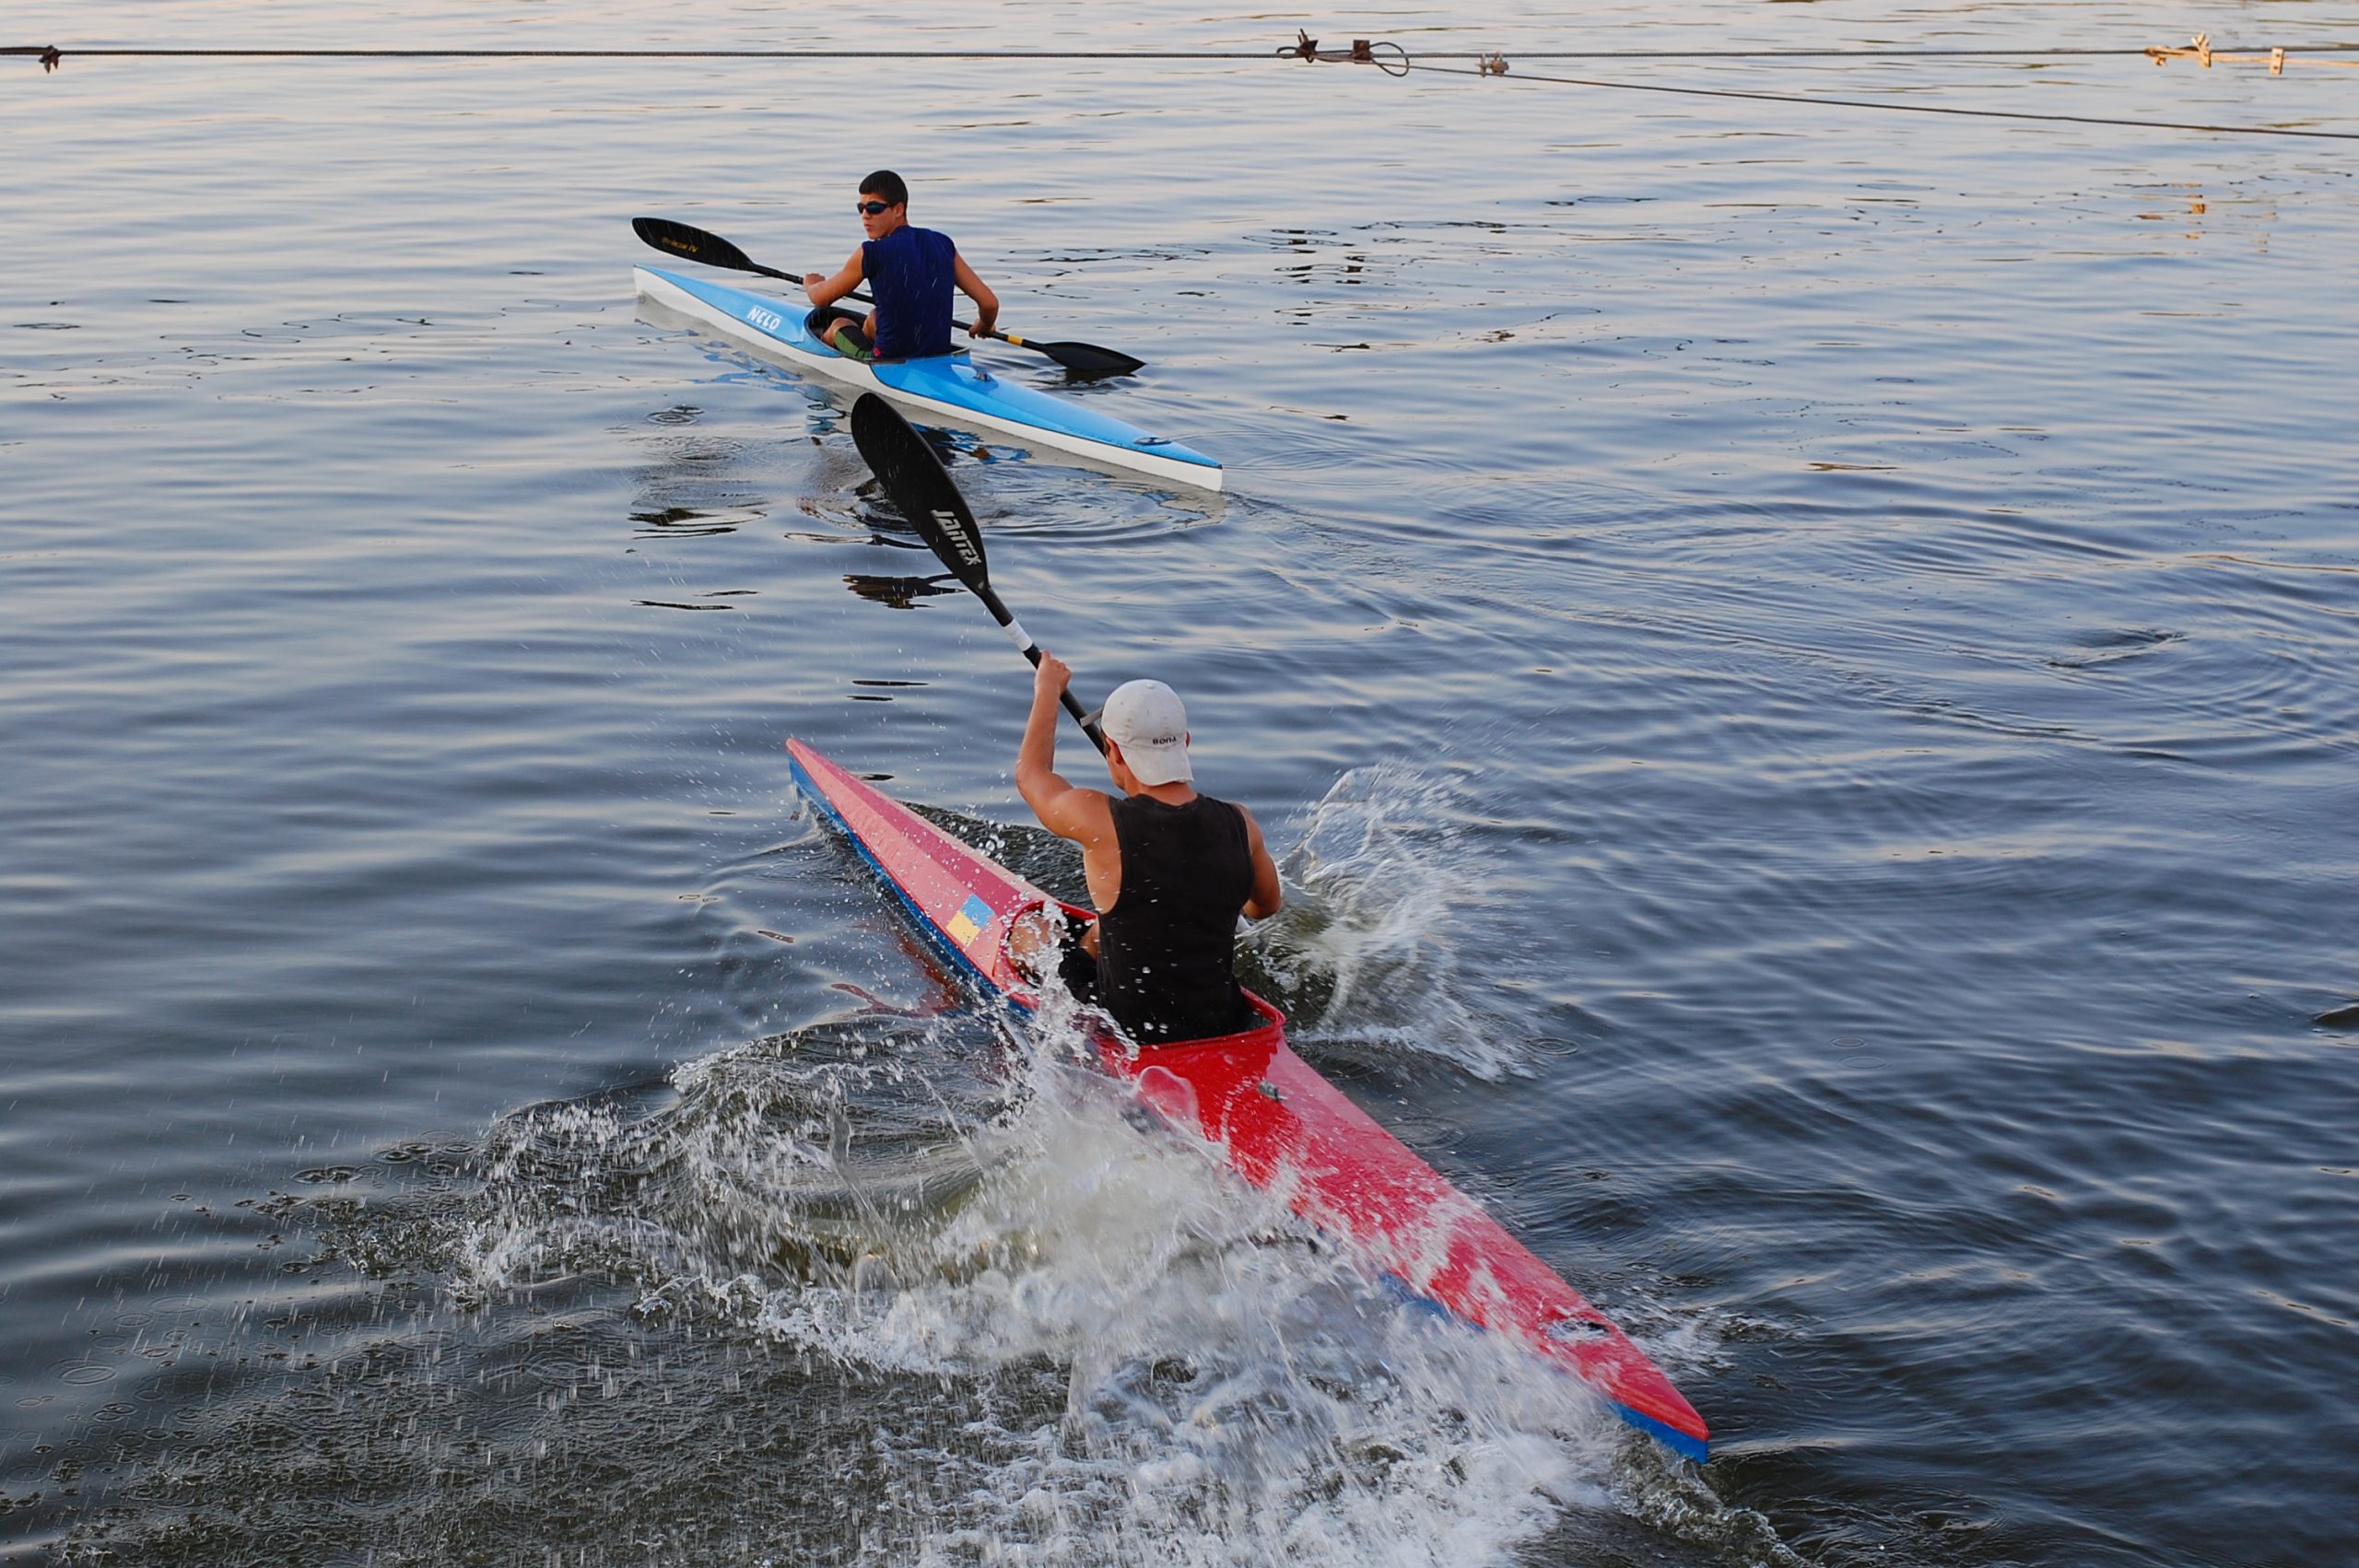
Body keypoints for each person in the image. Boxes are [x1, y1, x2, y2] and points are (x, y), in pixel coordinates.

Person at [1015, 653, 1283, 1045]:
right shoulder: (1242, 824)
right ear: (1185, 742)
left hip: (1127, 1029)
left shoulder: (1099, 820)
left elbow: (1031, 776)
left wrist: (1048, 689)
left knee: (1028, 930)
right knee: (1113, 922)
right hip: (1222, 1023)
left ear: (1113, 750)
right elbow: (1265, 906)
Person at [802, 170, 999, 362]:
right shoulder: (943, 243)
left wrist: (811, 284)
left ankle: (824, 366)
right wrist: (984, 325)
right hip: (938, 355)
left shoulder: (870, 253)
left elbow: (821, 298)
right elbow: (989, 304)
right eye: (861, 208)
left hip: (888, 361)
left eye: (874, 208)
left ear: (899, 210)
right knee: (874, 318)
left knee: (838, 324)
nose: (865, 215)